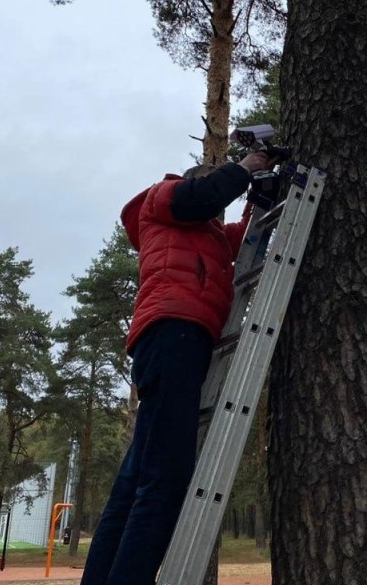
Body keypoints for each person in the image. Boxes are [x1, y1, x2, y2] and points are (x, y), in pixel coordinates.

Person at [81, 151, 275, 585]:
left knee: (135, 483)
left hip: (173, 339)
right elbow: (200, 196)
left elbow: (244, 238)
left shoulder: (204, 232)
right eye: (213, 181)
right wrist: (246, 167)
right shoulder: (163, 198)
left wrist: (258, 200)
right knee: (166, 481)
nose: (217, 190)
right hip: (174, 334)